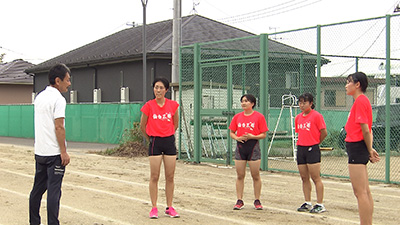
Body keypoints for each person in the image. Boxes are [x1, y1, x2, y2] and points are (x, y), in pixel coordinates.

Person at [29, 63, 71, 225]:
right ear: (57, 80)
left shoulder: (40, 97)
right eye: (67, 80)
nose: (69, 83)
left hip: (40, 151)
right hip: (54, 153)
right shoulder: (58, 99)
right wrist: (63, 151)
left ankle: (34, 222)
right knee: (54, 191)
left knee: (37, 191)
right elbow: (59, 126)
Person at [140, 77, 180, 219]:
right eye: (156, 87)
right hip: (155, 142)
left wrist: (167, 133)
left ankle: (169, 207)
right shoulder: (149, 106)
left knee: (170, 176)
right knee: (154, 176)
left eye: (161, 88)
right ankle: (154, 207)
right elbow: (142, 126)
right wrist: (150, 138)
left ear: (166, 90)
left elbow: (175, 124)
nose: (158, 90)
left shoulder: (173, 105)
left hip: (169, 141)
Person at [345, 72, 380, 225]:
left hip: (357, 147)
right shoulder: (363, 101)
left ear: (357, 84)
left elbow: (365, 129)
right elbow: (368, 130)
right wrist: (369, 149)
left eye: (349, 82)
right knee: (364, 191)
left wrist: (369, 149)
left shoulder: (360, 101)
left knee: (360, 192)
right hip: (359, 147)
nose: (346, 85)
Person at [229, 94, 268, 210]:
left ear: (252, 103)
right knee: (240, 175)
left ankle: (257, 200)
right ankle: (239, 200)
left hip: (253, 147)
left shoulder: (259, 117)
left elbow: (264, 134)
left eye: (246, 101)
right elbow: (232, 132)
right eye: (242, 101)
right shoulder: (237, 117)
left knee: (255, 175)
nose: (243, 103)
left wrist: (252, 136)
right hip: (240, 148)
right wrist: (236, 138)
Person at [295, 93, 328, 213]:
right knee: (304, 177)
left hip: (312, 148)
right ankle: (308, 202)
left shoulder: (316, 116)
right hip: (301, 148)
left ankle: (320, 204)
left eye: (304, 102)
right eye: (300, 103)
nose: (302, 105)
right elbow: (300, 132)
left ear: (311, 103)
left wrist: (315, 143)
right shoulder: (298, 117)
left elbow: (324, 132)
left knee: (316, 177)